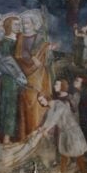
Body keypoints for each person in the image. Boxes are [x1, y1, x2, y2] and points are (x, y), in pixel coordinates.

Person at [15, 10, 54, 139]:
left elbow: (46, 60)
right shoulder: (19, 37)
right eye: (23, 23)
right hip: (22, 74)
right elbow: (17, 56)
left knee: (37, 101)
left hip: (38, 75)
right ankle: (25, 135)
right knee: (24, 102)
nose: (25, 25)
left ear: (34, 24)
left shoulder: (41, 39)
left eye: (27, 23)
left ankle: (38, 135)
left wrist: (47, 51)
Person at [35, 81, 87, 173]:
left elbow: (55, 118)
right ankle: (63, 172)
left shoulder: (58, 104)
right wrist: (42, 128)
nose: (41, 102)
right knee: (64, 153)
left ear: (46, 97)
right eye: (39, 101)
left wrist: (46, 130)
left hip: (72, 131)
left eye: (41, 100)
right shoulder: (51, 107)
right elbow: (49, 119)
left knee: (78, 153)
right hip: (64, 132)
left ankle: (84, 172)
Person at [0, 15, 21, 144]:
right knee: (10, 106)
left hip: (20, 76)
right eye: (15, 24)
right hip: (10, 78)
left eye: (19, 24)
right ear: (9, 26)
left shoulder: (19, 40)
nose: (18, 26)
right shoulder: (6, 42)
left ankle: (18, 135)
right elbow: (6, 62)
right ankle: (7, 137)